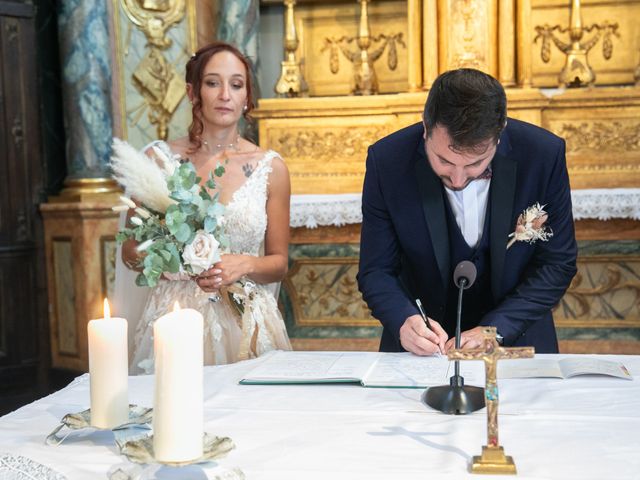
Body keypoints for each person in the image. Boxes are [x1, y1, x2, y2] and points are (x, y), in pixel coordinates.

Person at [357, 68, 577, 356]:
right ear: (426, 128)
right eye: (444, 161)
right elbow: (376, 270)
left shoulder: (543, 155)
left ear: (499, 136)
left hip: (518, 339)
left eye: (475, 164)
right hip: (422, 352)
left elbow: (557, 263)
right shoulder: (386, 161)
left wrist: (497, 328)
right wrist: (403, 320)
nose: (458, 179)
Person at [115, 41, 292, 374]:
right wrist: (179, 264)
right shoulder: (157, 162)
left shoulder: (272, 169)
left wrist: (244, 264)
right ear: (193, 91)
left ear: (247, 97)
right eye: (213, 82)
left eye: (236, 85)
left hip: (247, 323)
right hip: (174, 317)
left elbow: (279, 264)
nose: (225, 94)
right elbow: (130, 252)